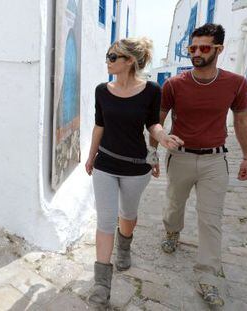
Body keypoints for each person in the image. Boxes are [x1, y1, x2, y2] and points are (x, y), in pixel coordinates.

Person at [150, 23, 247, 306]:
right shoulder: (173, 84)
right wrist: (152, 152)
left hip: (216, 161)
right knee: (173, 206)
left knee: (210, 220)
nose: (196, 53)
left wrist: (245, 155)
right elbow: (158, 119)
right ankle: (172, 231)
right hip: (179, 157)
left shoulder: (237, 83)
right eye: (192, 48)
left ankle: (208, 278)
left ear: (219, 50)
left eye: (204, 48)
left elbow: (241, 120)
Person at [85, 37, 183, 309]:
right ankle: (101, 289)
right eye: (108, 55)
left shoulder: (152, 90)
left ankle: (124, 247)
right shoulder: (101, 90)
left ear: (129, 61)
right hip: (105, 164)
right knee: (105, 222)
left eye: (113, 56)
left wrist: (162, 138)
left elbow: (153, 123)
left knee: (127, 216)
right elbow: (99, 126)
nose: (108, 60)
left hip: (135, 167)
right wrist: (91, 155)